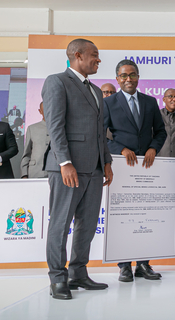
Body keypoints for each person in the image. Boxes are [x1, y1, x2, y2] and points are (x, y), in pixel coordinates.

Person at [42, 38, 113, 300]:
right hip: (67, 168)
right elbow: (55, 126)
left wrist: (106, 162)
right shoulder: (56, 81)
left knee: (88, 224)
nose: (98, 59)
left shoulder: (95, 90)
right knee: (60, 225)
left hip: (94, 168)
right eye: (94, 55)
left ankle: (78, 273)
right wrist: (64, 162)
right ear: (78, 55)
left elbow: (99, 132)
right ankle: (58, 279)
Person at [104, 59, 167, 282]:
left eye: (132, 75)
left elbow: (161, 132)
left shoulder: (150, 102)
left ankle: (143, 264)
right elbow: (101, 136)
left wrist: (153, 148)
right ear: (117, 79)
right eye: (123, 76)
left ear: (138, 77)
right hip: (122, 167)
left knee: (146, 215)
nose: (128, 79)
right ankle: (124, 265)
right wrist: (120, 149)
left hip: (148, 167)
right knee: (125, 217)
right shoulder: (109, 103)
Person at [20, 102, 50, 178]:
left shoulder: (62, 128)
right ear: (40, 111)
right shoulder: (32, 128)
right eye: (45, 109)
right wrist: (24, 174)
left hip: (57, 173)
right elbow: (27, 154)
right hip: (35, 172)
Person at [158, 88, 175, 158]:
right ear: (164, 100)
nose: (174, 99)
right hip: (159, 158)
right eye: (170, 96)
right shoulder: (157, 115)